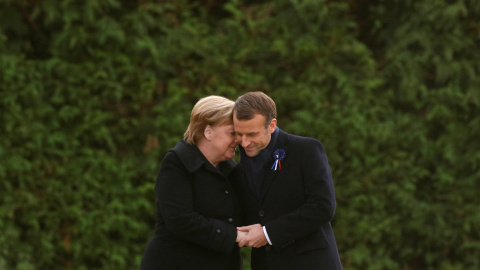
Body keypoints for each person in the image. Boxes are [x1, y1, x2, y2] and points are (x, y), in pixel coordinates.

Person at [233, 91, 343, 270]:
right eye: (239, 134)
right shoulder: (237, 170)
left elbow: (322, 206)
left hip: (312, 263)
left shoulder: (306, 150)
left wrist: (268, 234)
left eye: (252, 134)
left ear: (272, 125)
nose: (244, 143)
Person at [140, 96, 247, 270]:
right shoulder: (177, 162)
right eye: (232, 133)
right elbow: (180, 219)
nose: (238, 140)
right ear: (208, 132)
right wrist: (232, 235)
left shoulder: (230, 168)